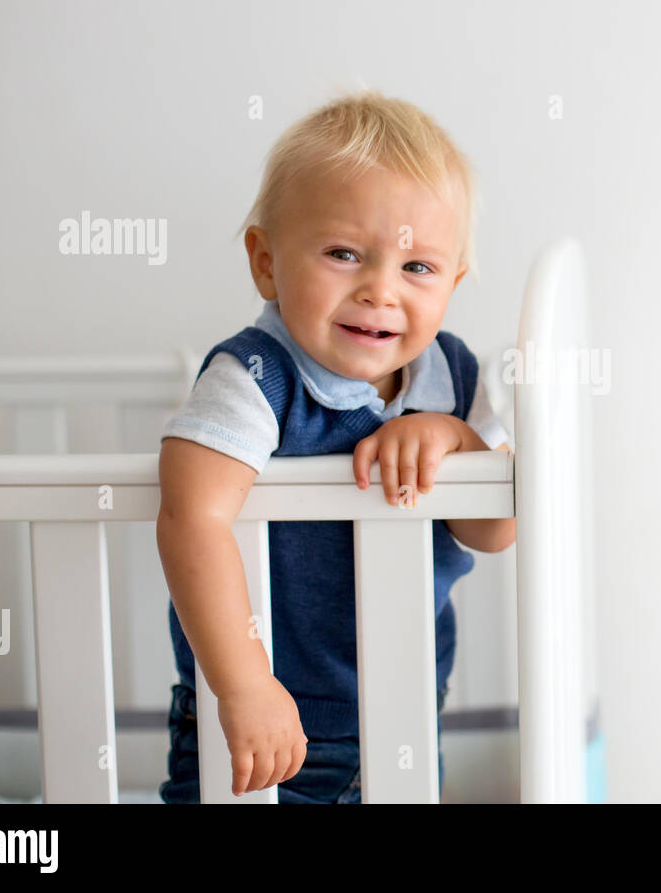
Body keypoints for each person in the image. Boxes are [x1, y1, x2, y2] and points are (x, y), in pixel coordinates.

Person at [156, 90, 516, 803]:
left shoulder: (456, 376)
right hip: (269, 723)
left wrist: (453, 439)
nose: (380, 290)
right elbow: (191, 517)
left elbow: (495, 528)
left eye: (417, 268)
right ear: (265, 262)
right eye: (344, 254)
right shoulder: (256, 378)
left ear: (453, 282)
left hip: (408, 709)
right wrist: (245, 688)